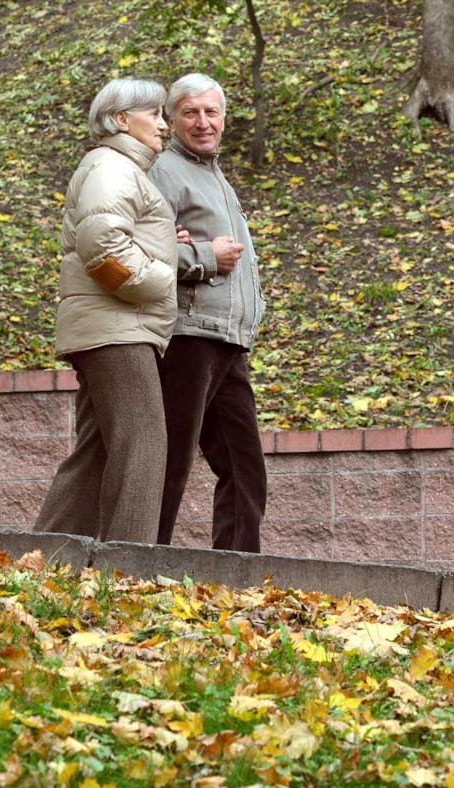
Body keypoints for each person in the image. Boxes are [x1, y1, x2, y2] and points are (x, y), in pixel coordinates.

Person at [34, 77, 180, 543]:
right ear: (121, 119)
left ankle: (46, 557)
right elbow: (100, 246)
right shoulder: (112, 167)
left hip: (110, 326)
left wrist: (162, 249)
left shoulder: (119, 169)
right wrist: (160, 277)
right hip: (117, 328)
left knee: (97, 451)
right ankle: (129, 571)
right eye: (155, 114)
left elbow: (113, 236)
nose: (165, 124)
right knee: (145, 443)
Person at [149, 73, 267, 553]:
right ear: (172, 119)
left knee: (245, 470)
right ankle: (136, 568)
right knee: (171, 464)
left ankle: (238, 579)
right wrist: (204, 256)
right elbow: (142, 252)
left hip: (228, 343)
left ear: (224, 119)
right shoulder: (164, 172)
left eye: (211, 112)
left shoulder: (213, 173)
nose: (203, 122)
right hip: (188, 340)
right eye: (191, 113)